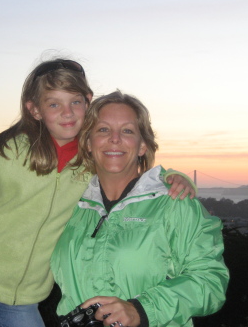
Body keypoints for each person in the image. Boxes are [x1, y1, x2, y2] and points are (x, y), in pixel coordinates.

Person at [0, 58, 196, 327]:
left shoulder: (88, 163)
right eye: (54, 104)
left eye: (75, 102)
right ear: (35, 110)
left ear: (88, 102)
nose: (67, 112)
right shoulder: (8, 154)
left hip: (22, 296)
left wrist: (174, 177)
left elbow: (126, 171)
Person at [50, 91, 229, 327]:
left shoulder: (174, 202)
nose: (114, 138)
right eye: (103, 129)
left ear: (143, 145)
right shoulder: (69, 204)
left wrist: (141, 310)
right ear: (88, 143)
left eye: (127, 131)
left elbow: (210, 282)